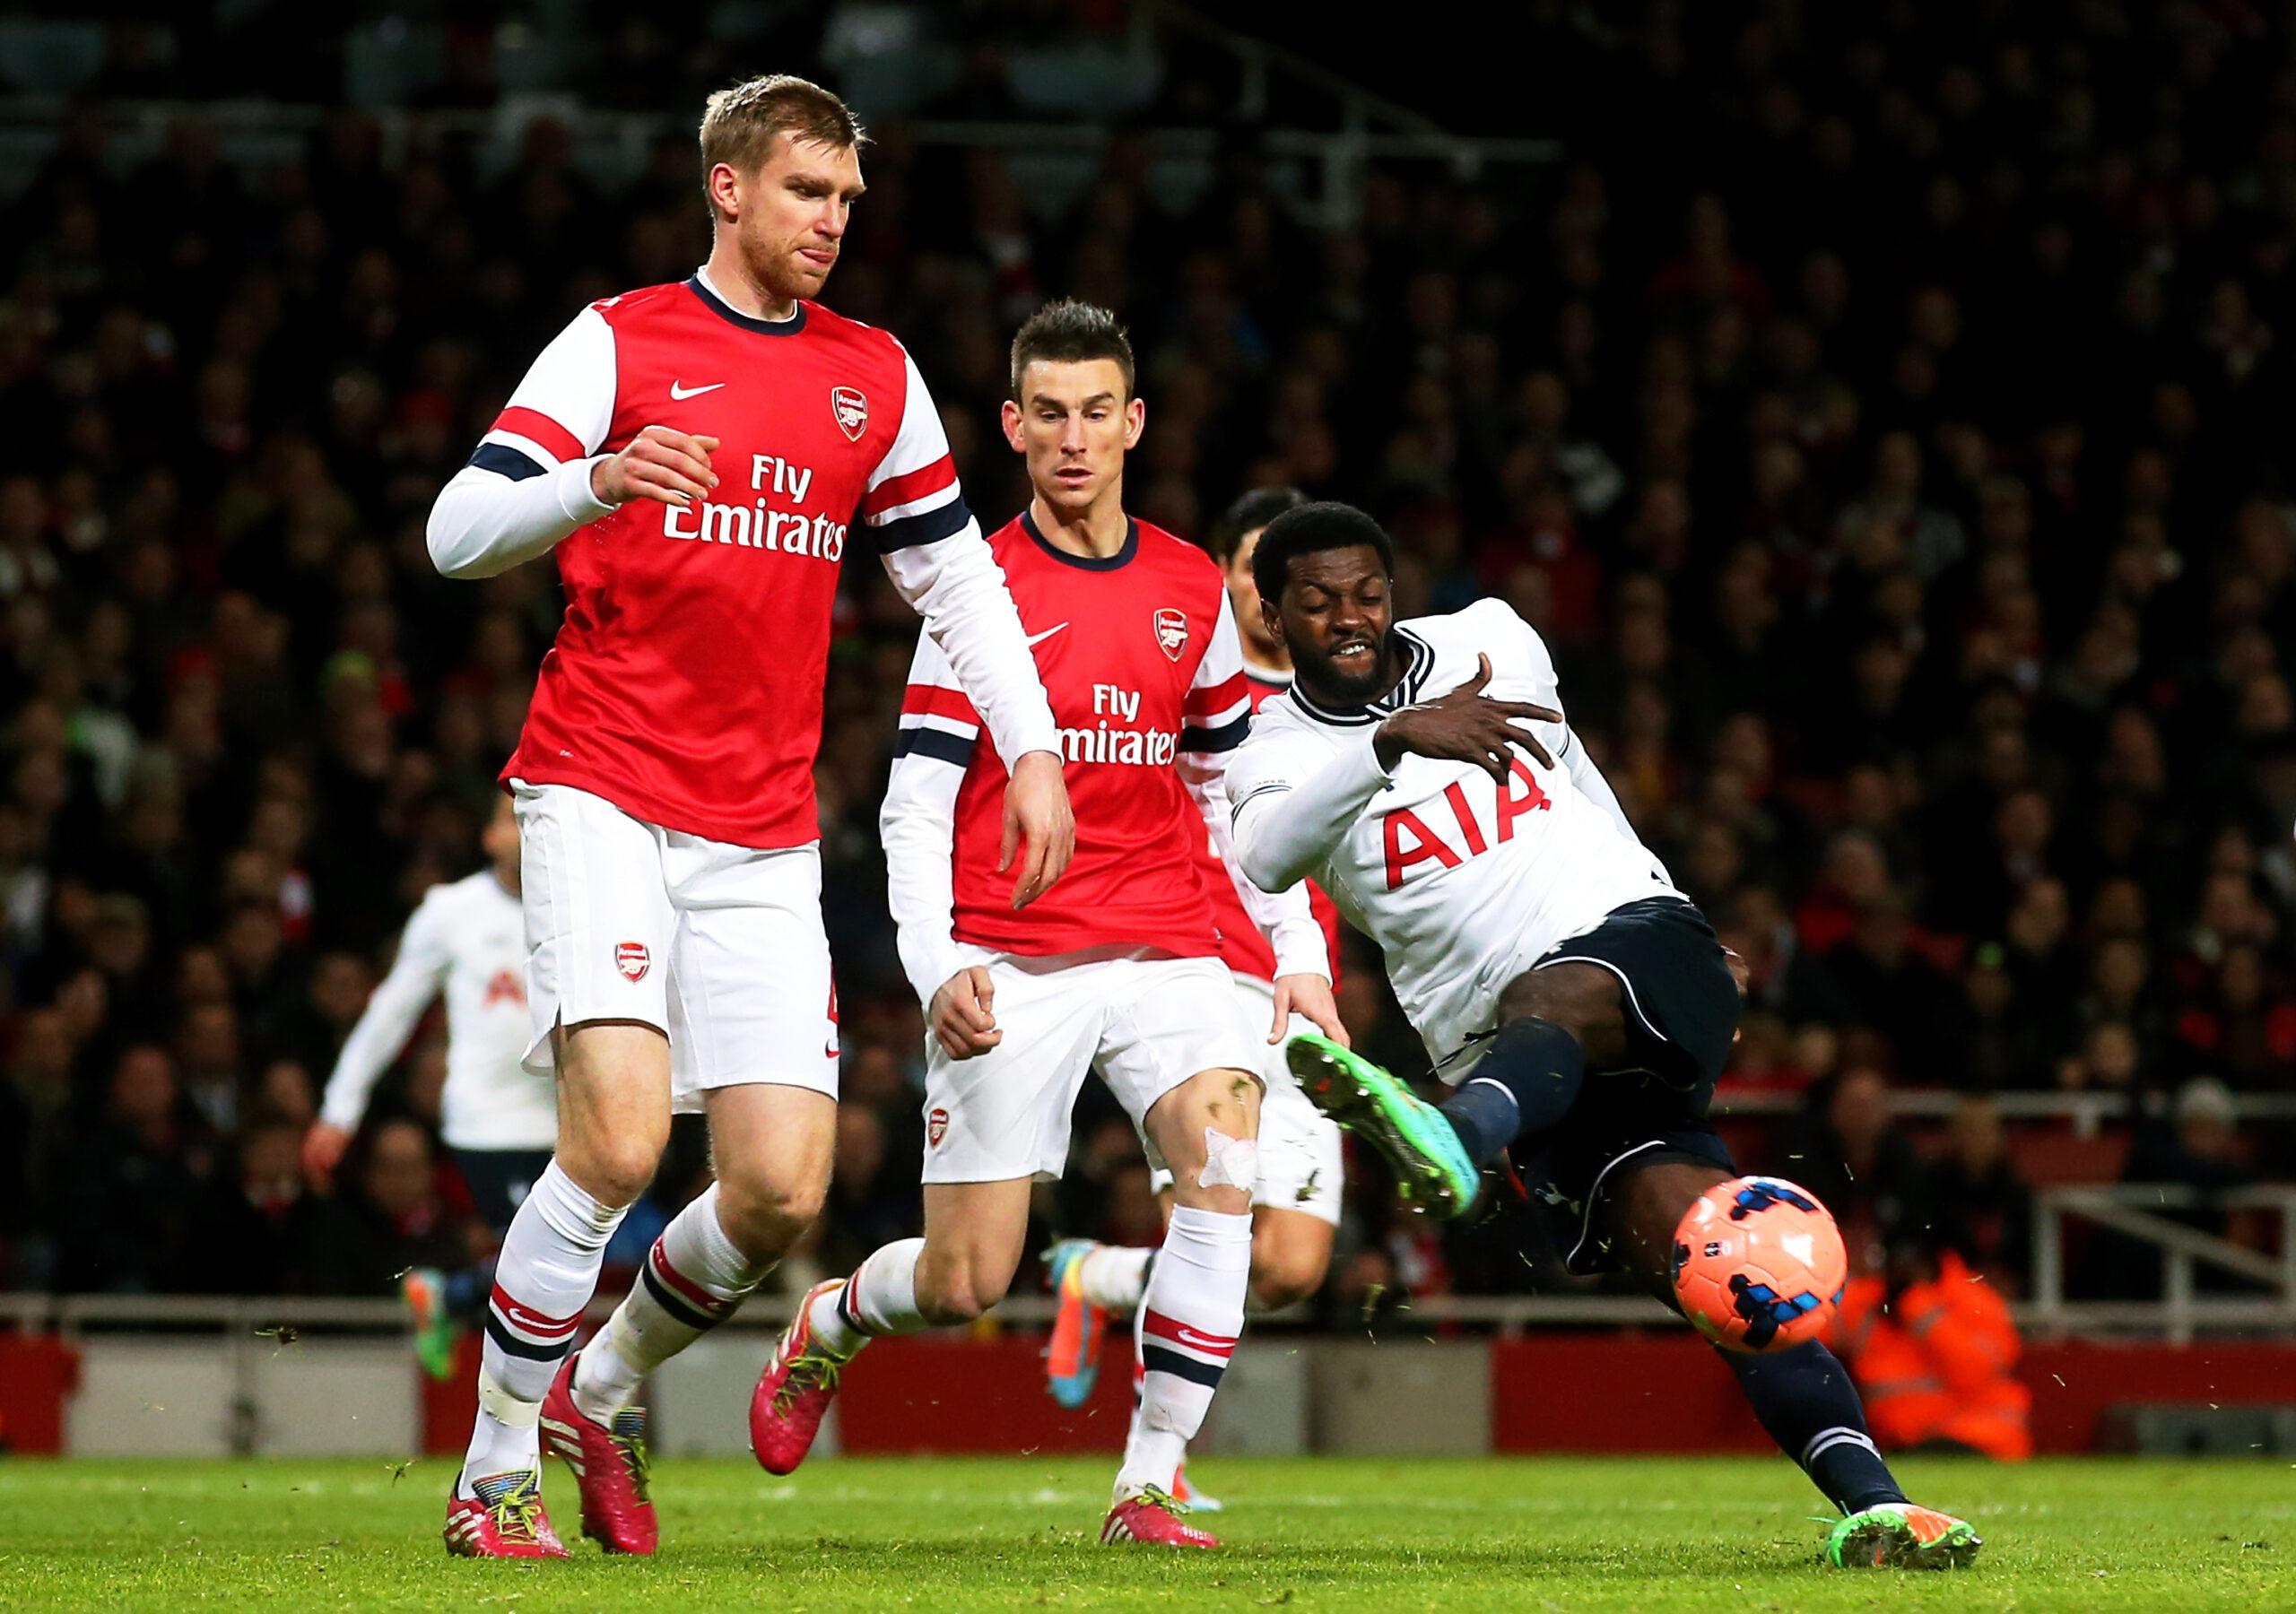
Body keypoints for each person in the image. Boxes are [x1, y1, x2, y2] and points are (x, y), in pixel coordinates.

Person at [424, 75, 1074, 1560]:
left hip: (763, 823)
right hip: (600, 786)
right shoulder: (620, 340)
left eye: (847, 198)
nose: (832, 220)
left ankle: (595, 1395)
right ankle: (491, 1475)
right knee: (616, 1144)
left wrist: (1032, 749)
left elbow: (958, 577)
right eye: (805, 191)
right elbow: (457, 531)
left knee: (781, 1188)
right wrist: (592, 481)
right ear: (726, 188)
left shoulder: (874, 374)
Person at [1224, 501, 1982, 1572]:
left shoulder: (1491, 637)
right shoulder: (1271, 749)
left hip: (1625, 939)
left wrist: (1672, 901)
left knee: (1557, 993)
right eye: (1316, 602)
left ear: (1393, 593)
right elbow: (1265, 858)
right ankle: (1879, 1509)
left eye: (1367, 594)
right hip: (1502, 1048)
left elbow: (1571, 765)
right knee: (1722, 1269)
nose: (1349, 618)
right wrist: (1389, 743)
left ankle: (1456, 1136)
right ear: (1271, 614)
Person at [745, 301, 1343, 1550]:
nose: (1074, 440)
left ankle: (1148, 1484)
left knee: (1222, 1160)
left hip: (1168, 944)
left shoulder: (1191, 587)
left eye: (1096, 414)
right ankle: (834, 1319)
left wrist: (1295, 955)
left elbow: (1232, 795)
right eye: (1050, 415)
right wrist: (935, 965)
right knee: (966, 1279)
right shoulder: (979, 592)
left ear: (1134, 424)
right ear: (1014, 427)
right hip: (1009, 959)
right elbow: (914, 804)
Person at [1040, 486, 1350, 1512]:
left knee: (1291, 1269)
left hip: (1299, 994)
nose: (1271, 593)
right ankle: (1155, 1469)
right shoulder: (1181, 684)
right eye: (1256, 569)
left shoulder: (1346, 706)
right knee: (1207, 1222)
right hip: (1200, 975)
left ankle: (1097, 1278)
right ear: (1223, 577)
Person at [303, 794, 546, 1378]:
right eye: (512, 817)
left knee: (566, 1263)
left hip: (574, 1121)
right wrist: (339, 1110)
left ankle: (453, 1297)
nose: (525, 829)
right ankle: (523, 1385)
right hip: (489, 1123)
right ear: (488, 836)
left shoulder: (584, 909)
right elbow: (391, 1012)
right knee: (542, 1262)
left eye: (537, 817)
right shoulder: (451, 911)